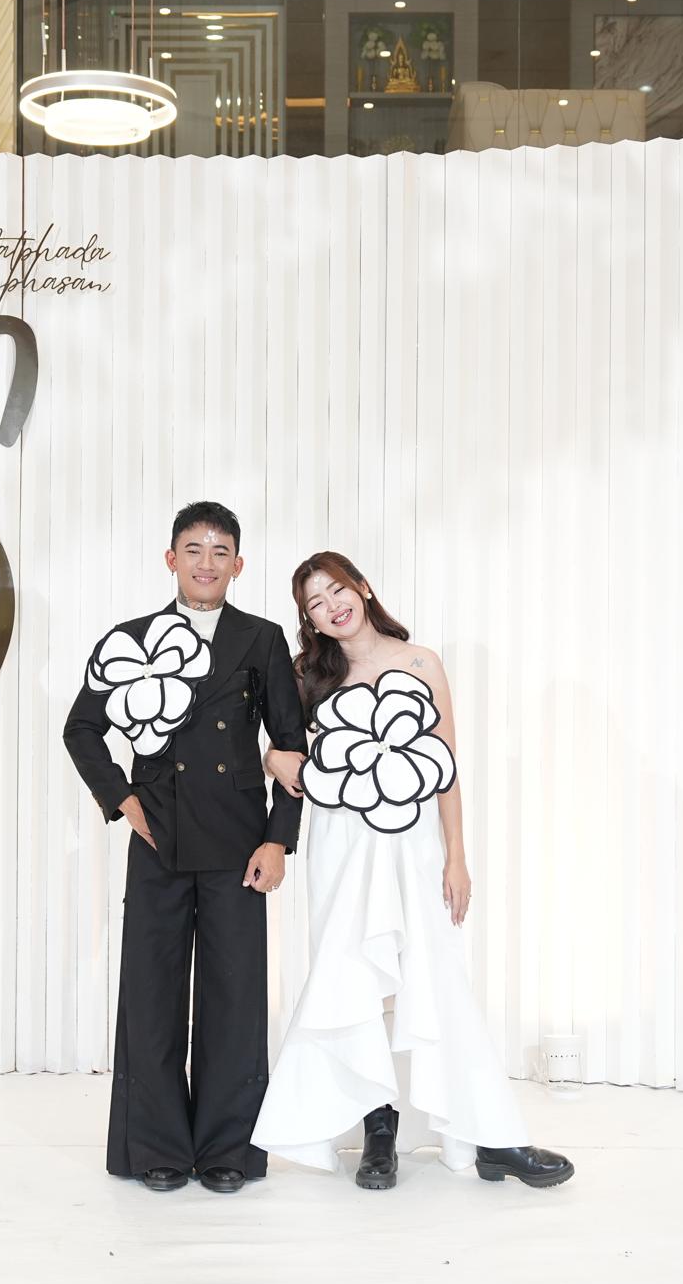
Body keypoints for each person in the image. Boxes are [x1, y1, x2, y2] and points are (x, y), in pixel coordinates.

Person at [251, 551, 573, 1189]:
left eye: (337, 590)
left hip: (415, 840)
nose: (332, 607)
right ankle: (379, 1133)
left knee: (435, 977)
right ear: (309, 619)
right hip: (344, 843)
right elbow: (277, 746)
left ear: (363, 587)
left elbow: (444, 766)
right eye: (315, 603)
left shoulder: (422, 663)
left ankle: (487, 1136)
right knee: (355, 979)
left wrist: (457, 855)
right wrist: (271, 760)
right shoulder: (306, 674)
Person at [63, 501, 308, 1194]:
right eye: (193, 549)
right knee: (152, 992)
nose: (207, 562)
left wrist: (278, 839)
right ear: (171, 559)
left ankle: (228, 1147)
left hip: (238, 843)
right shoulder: (131, 639)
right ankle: (158, 1147)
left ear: (239, 564)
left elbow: (291, 746)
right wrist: (123, 799)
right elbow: (81, 728)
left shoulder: (261, 640)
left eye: (220, 550)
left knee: (235, 995)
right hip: (159, 837)